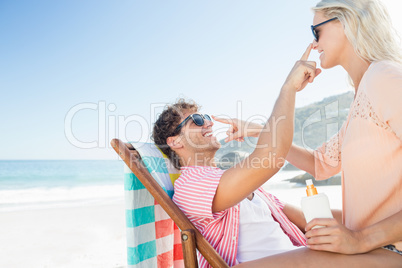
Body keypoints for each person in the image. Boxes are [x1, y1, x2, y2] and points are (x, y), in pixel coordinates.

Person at [220, 0, 402, 266]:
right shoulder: (363, 94)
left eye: (316, 31)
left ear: (345, 22)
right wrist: (259, 130)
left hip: (388, 249)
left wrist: (360, 239)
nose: (314, 44)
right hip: (374, 248)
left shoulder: (385, 78)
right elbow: (320, 164)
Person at [152, 44, 324, 267]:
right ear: (174, 141)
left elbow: (309, 218)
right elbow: (271, 158)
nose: (209, 122)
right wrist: (288, 88)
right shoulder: (190, 187)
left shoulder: (239, 184)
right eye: (197, 120)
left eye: (206, 117)